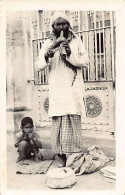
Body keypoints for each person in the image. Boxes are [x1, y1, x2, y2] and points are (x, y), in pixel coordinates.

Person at [35, 12, 89, 167]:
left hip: (73, 90)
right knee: (59, 121)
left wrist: (70, 53)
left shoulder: (77, 40)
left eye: (64, 23)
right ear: (53, 27)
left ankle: (73, 155)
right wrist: (49, 52)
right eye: (58, 24)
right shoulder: (47, 43)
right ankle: (60, 155)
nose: (61, 27)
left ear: (69, 25)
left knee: (72, 119)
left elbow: (85, 62)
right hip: (58, 90)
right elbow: (38, 65)